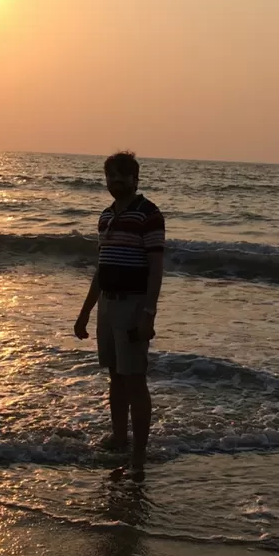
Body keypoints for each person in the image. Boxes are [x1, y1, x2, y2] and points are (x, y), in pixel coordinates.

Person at [74, 151, 165, 479]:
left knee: (135, 380)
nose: (116, 182)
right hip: (108, 306)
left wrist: (148, 314)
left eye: (122, 176)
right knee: (115, 375)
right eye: (111, 176)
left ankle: (138, 459)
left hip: (133, 305)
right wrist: (84, 313)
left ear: (135, 179)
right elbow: (101, 270)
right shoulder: (105, 217)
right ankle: (118, 438)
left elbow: (155, 270)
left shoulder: (148, 215)